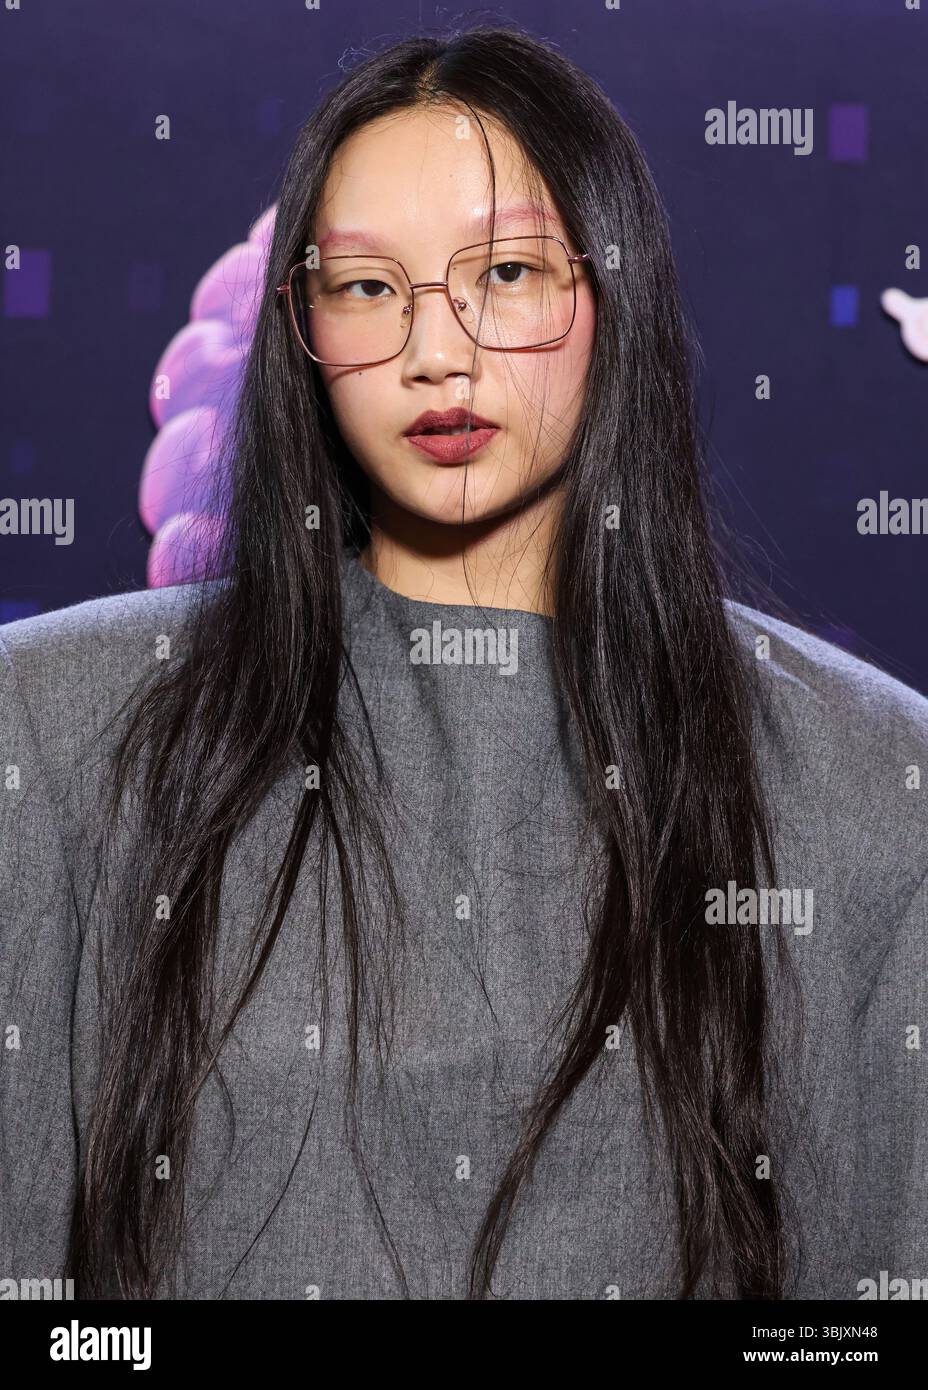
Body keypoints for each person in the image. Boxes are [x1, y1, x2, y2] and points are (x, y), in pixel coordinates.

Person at [1, 24, 926, 1302]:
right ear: (298, 329)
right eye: (369, 287)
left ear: (614, 289)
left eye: (504, 270)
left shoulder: (870, 781)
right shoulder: (52, 735)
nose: (438, 351)